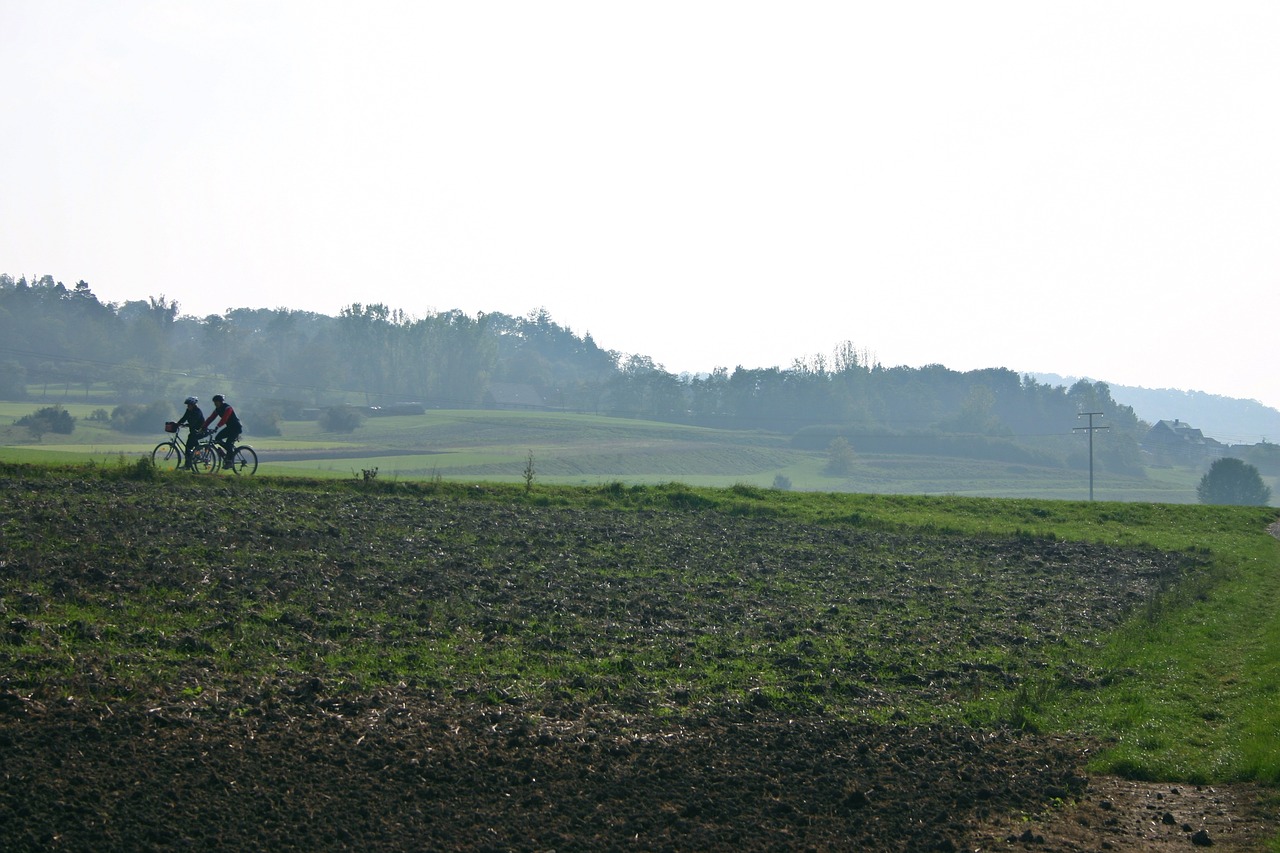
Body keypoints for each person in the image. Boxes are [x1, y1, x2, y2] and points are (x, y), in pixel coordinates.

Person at [201, 394, 242, 461]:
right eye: (214, 402)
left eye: (216, 402)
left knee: (228, 443)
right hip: (229, 428)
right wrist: (203, 427)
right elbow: (211, 418)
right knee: (217, 438)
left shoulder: (228, 408)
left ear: (220, 402)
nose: (215, 404)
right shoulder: (217, 409)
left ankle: (230, 460)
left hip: (236, 427)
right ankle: (228, 454)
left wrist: (217, 427)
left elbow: (224, 419)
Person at [174, 396, 205, 469]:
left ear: (193, 405)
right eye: (187, 405)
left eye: (189, 405)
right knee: (189, 446)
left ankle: (194, 458)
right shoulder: (189, 410)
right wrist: (177, 424)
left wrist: (185, 425)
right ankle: (190, 462)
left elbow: (193, 422)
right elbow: (184, 418)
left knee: (189, 446)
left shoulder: (197, 412)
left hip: (200, 431)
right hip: (193, 432)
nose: (187, 406)